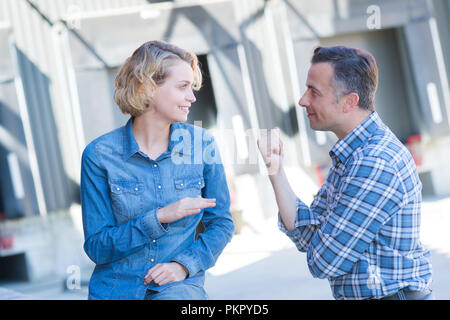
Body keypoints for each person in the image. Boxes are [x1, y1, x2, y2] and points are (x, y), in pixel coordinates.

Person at [257, 46, 433, 300]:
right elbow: (309, 235)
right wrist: (275, 168)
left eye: (314, 92)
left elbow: (325, 262)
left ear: (350, 101)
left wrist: (322, 242)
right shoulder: (353, 154)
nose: (303, 100)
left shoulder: (373, 163)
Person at [80, 40, 235, 300]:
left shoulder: (201, 144)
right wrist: (160, 217)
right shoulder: (98, 155)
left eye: (192, 87)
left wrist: (183, 266)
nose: (192, 97)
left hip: (178, 289)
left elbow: (221, 223)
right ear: (149, 88)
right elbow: (97, 247)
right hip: (115, 291)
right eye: (183, 87)